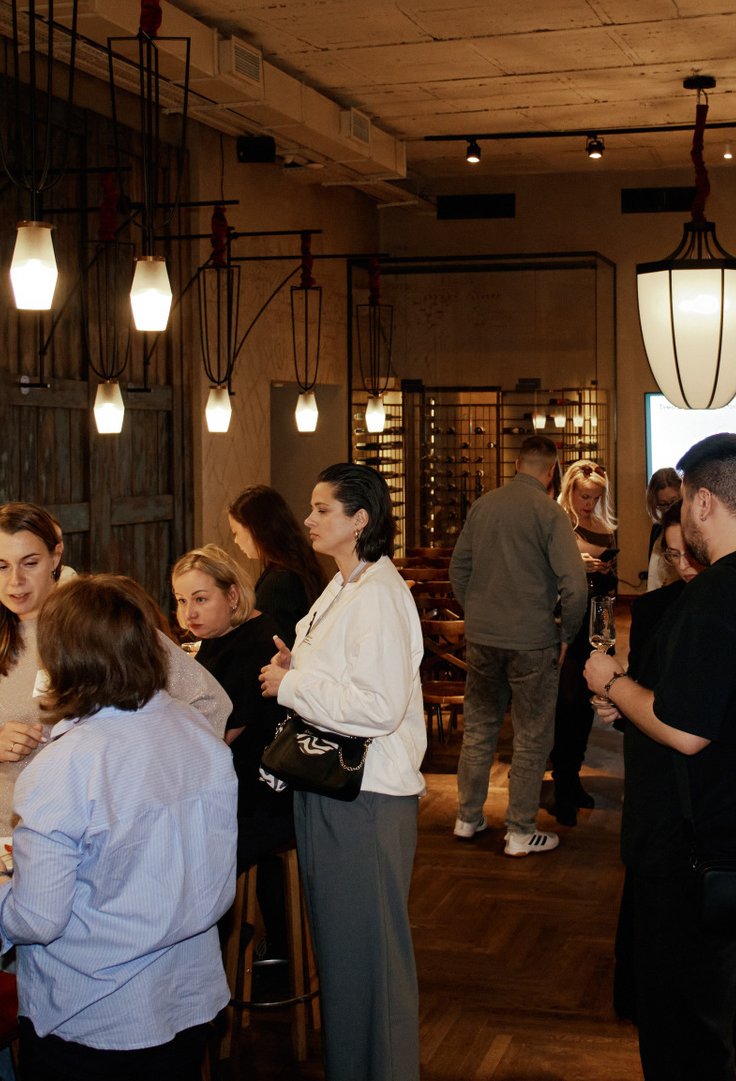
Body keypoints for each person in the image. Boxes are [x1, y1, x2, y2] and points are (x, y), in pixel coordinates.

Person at [583, 433, 736, 1080]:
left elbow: (685, 728)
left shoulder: (723, 589)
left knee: (688, 1041)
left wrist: (613, 682)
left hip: (706, 861)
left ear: (701, 503)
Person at [0, 503, 229, 968]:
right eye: (0, 567)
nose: (15, 582)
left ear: (56, 556)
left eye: (29, 563)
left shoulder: (99, 627)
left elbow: (208, 705)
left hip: (81, 863)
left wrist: (134, 794)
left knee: (65, 997)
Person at [0, 574, 235, 1078]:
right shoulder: (197, 733)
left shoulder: (66, 765)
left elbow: (38, 918)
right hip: (188, 995)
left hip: (95, 1014)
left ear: (63, 661)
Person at [258, 463, 425, 1081]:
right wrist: (297, 666)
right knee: (344, 958)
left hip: (367, 798)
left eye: (322, 509)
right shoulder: (346, 583)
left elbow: (379, 708)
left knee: (373, 963)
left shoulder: (378, 594)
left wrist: (291, 684)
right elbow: (345, 677)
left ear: (360, 520)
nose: (308, 519)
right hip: (334, 788)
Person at [448, 434, 589, 857]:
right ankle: (521, 831)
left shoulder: (484, 505)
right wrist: (567, 636)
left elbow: (459, 569)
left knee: (478, 729)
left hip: (483, 638)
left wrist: (478, 611)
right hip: (532, 640)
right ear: (552, 470)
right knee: (531, 736)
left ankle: (467, 817)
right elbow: (576, 586)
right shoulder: (550, 513)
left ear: (516, 464)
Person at [602, 501, 701, 1022]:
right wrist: (617, 702)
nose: (683, 565)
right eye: (672, 554)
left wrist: (620, 690)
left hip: (703, 778)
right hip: (655, 776)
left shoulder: (725, 608)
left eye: (691, 553)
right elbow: (641, 690)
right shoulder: (654, 609)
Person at [174, 546, 293, 869]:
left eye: (200, 599)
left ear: (232, 595)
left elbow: (216, 737)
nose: (189, 613)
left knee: (167, 851)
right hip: (227, 788)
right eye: (181, 601)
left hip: (256, 803)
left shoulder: (254, 642)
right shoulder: (219, 632)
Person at [550, 457, 618, 825]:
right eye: (584, 496)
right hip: (565, 623)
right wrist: (580, 565)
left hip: (597, 623)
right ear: (570, 491)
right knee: (567, 703)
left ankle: (572, 777)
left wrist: (605, 570)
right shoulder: (559, 523)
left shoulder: (604, 528)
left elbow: (611, 585)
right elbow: (545, 574)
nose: (589, 504)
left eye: (595, 498)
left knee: (588, 703)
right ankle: (563, 785)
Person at [228, 485, 327, 645]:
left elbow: (270, 643)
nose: (236, 540)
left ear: (253, 528)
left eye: (236, 532)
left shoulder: (280, 581)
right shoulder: (296, 565)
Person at [643, 467, 683, 590]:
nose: (669, 509)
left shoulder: (690, 532)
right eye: (663, 504)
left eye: (674, 502)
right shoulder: (657, 531)